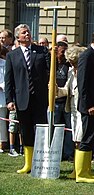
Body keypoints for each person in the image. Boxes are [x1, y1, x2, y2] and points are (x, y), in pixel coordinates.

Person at [5, 24, 50, 173]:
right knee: (26, 131)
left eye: (28, 32)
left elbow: (49, 70)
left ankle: (42, 162)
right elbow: (9, 80)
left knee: (41, 130)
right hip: (22, 99)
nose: (27, 35)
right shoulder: (12, 55)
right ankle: (28, 163)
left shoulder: (41, 51)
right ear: (18, 37)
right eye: (24, 33)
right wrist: (9, 100)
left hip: (40, 99)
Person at [56, 45, 87, 178]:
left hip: (84, 109)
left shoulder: (87, 72)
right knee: (76, 139)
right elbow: (66, 91)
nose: (73, 65)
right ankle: (77, 169)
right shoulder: (70, 72)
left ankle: (81, 171)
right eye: (71, 62)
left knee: (80, 140)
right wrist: (56, 90)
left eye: (75, 62)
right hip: (73, 110)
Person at [75, 34, 94, 183]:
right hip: (89, 106)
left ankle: (87, 170)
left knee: (91, 136)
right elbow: (82, 84)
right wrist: (88, 105)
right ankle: (81, 174)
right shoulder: (86, 56)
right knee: (87, 137)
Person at [54, 34, 74, 161]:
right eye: (62, 52)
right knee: (55, 127)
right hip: (54, 102)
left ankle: (67, 153)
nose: (64, 55)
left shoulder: (68, 66)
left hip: (66, 101)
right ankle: (56, 151)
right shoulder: (52, 65)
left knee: (68, 128)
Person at [0, 44, 9, 152]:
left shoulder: (4, 64)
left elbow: (6, 80)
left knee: (1, 122)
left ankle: (2, 143)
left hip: (1, 96)